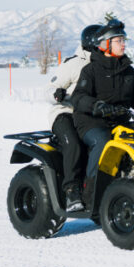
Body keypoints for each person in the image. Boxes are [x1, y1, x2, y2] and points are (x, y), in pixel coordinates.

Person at [70, 18, 134, 205]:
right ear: (105, 44)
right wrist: (96, 106)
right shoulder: (91, 71)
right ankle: (91, 192)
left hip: (120, 120)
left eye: (124, 40)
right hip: (91, 121)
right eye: (119, 40)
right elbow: (78, 98)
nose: (123, 44)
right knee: (103, 141)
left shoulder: (129, 71)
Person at [44, 27, 100, 212]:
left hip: (90, 115)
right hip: (65, 113)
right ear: (92, 42)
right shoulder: (73, 64)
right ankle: (72, 191)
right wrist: (58, 94)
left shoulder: (104, 64)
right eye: (101, 41)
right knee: (74, 143)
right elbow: (49, 90)